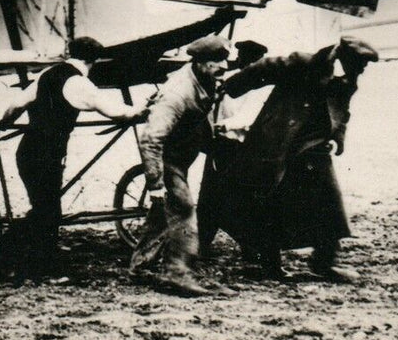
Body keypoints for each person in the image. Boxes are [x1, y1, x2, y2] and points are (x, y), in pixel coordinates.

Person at [213, 35, 379, 282]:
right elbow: (264, 68)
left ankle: (324, 263)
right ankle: (270, 266)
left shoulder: (349, 78)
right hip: (278, 142)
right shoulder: (303, 63)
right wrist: (231, 86)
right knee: (271, 202)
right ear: (343, 57)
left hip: (314, 148)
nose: (363, 70)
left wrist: (337, 137)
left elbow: (343, 112)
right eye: (360, 64)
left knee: (329, 199)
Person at [0, 36, 146, 281]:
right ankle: (23, 264)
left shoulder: (47, 74)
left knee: (45, 208)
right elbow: (115, 112)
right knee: (47, 211)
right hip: (48, 153)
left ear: (69, 52)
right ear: (94, 60)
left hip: (29, 149)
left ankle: (12, 259)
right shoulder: (80, 83)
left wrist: (3, 123)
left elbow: (16, 105)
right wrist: (140, 110)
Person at [128, 35, 235, 296]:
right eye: (216, 64)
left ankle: (140, 268)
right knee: (184, 208)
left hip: (182, 156)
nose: (222, 69)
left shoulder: (204, 79)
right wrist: (156, 185)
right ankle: (178, 273)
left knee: (161, 215)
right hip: (167, 159)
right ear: (199, 63)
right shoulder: (177, 93)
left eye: (224, 63)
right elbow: (151, 139)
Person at [196, 39, 270, 257]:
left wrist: (226, 125)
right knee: (210, 196)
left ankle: (250, 245)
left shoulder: (260, 87)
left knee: (240, 198)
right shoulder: (228, 82)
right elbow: (212, 106)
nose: (245, 65)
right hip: (221, 144)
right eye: (243, 61)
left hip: (243, 146)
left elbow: (250, 115)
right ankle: (203, 242)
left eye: (251, 62)